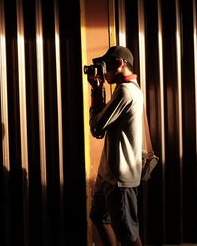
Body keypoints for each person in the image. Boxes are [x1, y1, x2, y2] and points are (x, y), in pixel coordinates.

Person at [88, 46, 143, 246]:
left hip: (120, 179)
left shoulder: (126, 92)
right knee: (98, 216)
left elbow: (97, 128)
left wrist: (95, 93)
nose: (104, 72)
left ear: (120, 63)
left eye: (106, 66)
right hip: (109, 174)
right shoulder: (125, 89)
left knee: (128, 234)